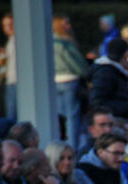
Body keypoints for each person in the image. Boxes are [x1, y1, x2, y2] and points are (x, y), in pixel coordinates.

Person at [88, 38, 128, 127]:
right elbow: (98, 104)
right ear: (126, 54)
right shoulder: (106, 74)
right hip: (115, 126)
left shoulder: (117, 72)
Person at [52, 15, 89, 146]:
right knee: (72, 116)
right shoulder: (64, 42)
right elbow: (76, 63)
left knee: (61, 115)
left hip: (56, 81)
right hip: (70, 80)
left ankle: (63, 144)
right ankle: (72, 146)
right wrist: (86, 74)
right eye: (65, 24)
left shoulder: (49, 41)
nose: (68, 26)